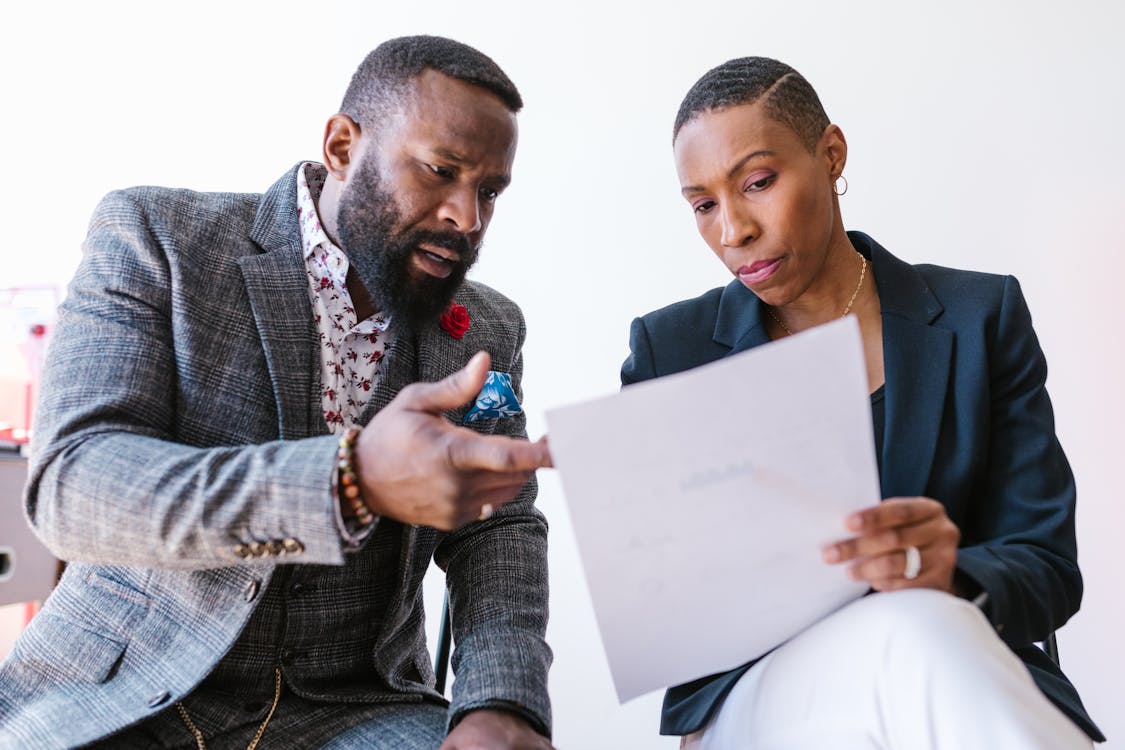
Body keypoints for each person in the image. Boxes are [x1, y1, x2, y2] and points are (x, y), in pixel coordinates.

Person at [0, 36, 554, 750]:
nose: (465, 217)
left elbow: (497, 530)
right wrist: (347, 482)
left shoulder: (488, 326)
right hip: (120, 695)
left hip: (353, 708)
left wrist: (499, 703)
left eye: (488, 191)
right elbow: (72, 484)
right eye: (441, 171)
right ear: (342, 145)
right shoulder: (156, 237)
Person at [621, 56, 1103, 749]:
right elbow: (659, 603)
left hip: (953, 669)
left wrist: (949, 574)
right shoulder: (672, 351)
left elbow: (1046, 569)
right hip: (765, 701)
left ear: (830, 154)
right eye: (702, 205)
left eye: (756, 183)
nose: (732, 231)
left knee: (918, 626)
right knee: (911, 630)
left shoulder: (978, 317)